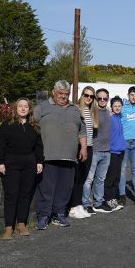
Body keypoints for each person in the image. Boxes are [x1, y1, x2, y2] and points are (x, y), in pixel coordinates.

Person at [34, 80, 86, 229]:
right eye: (60, 93)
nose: (63, 96)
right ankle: (43, 216)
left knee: (65, 188)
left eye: (66, 94)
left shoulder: (75, 109)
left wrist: (83, 148)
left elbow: (82, 130)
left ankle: (59, 214)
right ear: (53, 92)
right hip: (48, 156)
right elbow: (32, 125)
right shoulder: (42, 108)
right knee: (46, 188)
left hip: (70, 156)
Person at [0, 98, 44, 239]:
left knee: (25, 194)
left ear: (29, 109)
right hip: (11, 163)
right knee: (11, 194)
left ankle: (21, 223)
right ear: (15, 109)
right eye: (20, 106)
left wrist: (39, 161)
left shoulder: (34, 126)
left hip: (29, 163)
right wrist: (0, 162)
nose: (23, 109)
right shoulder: (7, 125)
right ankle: (9, 227)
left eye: (25, 106)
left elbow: (39, 146)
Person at [83, 88, 116, 214]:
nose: (102, 100)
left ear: (108, 99)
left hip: (106, 151)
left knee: (100, 179)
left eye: (105, 98)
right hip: (95, 150)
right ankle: (86, 203)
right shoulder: (92, 111)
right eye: (100, 98)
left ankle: (98, 202)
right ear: (96, 99)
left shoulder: (108, 112)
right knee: (89, 179)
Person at [69, 85, 98, 218]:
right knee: (77, 177)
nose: (89, 98)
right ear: (82, 95)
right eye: (86, 95)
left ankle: (78, 205)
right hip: (80, 147)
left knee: (83, 178)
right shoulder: (76, 109)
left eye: (91, 96)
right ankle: (73, 207)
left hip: (90, 146)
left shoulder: (91, 111)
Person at [118, 86, 135, 202]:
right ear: (128, 95)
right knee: (123, 170)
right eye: (132, 95)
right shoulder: (122, 107)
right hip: (124, 142)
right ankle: (122, 195)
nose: (134, 97)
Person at [105, 96, 127, 211]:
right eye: (115, 106)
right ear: (111, 107)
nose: (117, 108)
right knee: (110, 177)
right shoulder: (110, 117)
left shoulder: (118, 117)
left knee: (117, 177)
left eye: (119, 106)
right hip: (112, 151)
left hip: (120, 151)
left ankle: (113, 198)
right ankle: (107, 198)